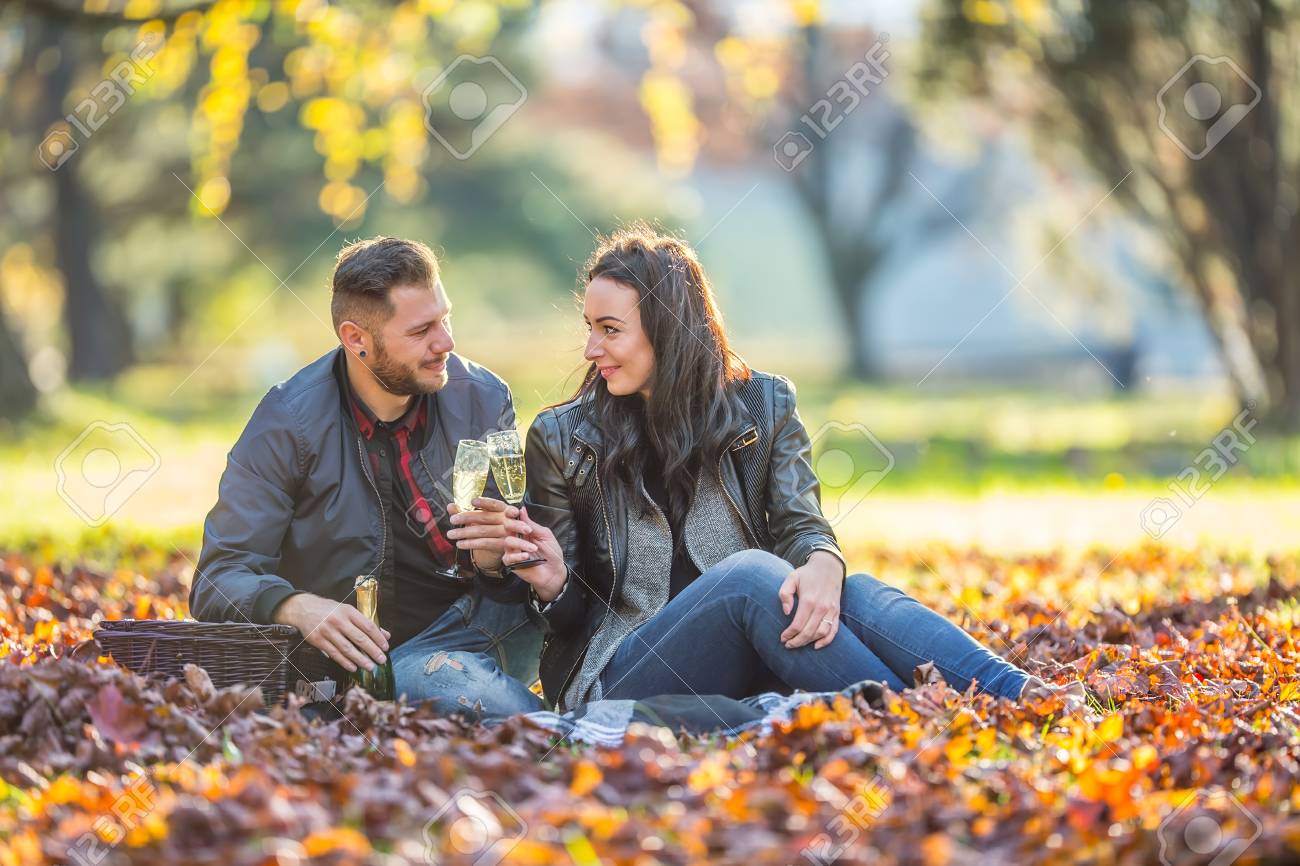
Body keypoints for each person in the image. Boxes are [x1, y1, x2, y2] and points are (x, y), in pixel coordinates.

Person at [491, 224, 1084, 714]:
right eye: (590, 329)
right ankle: (912, 718)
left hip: (751, 650)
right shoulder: (563, 436)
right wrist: (553, 584)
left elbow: (803, 524)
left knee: (849, 592)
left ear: (668, 331)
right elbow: (569, 620)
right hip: (623, 672)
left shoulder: (764, 405)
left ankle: (1022, 696)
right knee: (752, 575)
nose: (592, 350)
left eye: (610, 330)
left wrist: (824, 562)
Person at [191, 236, 544, 719]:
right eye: (422, 331)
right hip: (374, 664)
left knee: (586, 581)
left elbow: (509, 566)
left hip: (482, 621)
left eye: (445, 318)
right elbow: (217, 577)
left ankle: (611, 706)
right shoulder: (287, 422)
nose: (446, 342)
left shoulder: (482, 396)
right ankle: (580, 735)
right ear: (356, 339)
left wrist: (491, 563)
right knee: (436, 678)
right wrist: (294, 605)